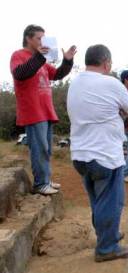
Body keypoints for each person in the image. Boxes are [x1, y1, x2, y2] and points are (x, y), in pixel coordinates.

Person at [67, 44, 128, 262]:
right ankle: (107, 248)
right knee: (111, 202)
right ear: (106, 63)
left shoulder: (75, 82)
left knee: (98, 201)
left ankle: (109, 235)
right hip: (105, 154)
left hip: (80, 154)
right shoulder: (110, 83)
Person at [10, 24, 76, 195]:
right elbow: (20, 73)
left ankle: (45, 179)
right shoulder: (18, 55)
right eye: (39, 38)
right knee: (39, 149)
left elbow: (58, 74)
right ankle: (40, 184)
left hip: (46, 110)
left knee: (46, 149)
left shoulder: (41, 61)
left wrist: (67, 61)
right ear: (28, 38)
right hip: (32, 111)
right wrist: (39, 56)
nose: (42, 41)